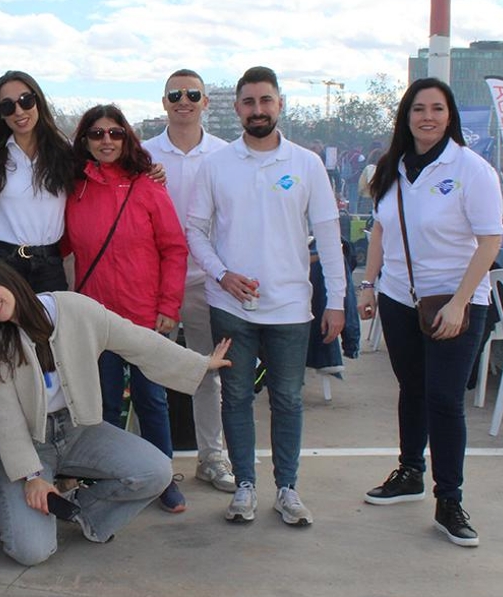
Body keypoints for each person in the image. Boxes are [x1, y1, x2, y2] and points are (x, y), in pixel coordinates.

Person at [0, 258, 230, 566]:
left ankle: (84, 511)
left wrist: (198, 363)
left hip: (79, 429)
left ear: (9, 281)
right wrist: (31, 476)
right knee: (31, 551)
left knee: (156, 471)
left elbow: (136, 340)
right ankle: (17, 497)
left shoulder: (74, 310)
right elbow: (5, 418)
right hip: (28, 443)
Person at [186, 66, 345, 527]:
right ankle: (245, 488)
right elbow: (195, 230)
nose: (258, 110)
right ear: (237, 109)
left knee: (288, 400)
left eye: (266, 101)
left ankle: (288, 489)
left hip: (291, 308)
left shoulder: (306, 164)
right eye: (249, 102)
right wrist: (221, 274)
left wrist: (335, 299)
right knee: (234, 398)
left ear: (280, 104)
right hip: (231, 306)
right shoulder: (216, 164)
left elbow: (328, 235)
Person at [357, 78, 502, 548]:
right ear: (406, 116)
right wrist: (369, 284)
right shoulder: (391, 169)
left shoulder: (471, 169)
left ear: (449, 115)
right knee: (411, 389)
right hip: (399, 298)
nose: (428, 117)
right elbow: (380, 230)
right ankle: (410, 472)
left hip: (454, 301)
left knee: (443, 399)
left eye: (437, 109)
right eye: (419, 109)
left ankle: (449, 499)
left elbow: (490, 241)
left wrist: (461, 301)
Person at [63, 104, 189, 512]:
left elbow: (174, 249)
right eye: (97, 134)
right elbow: (57, 243)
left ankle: (163, 477)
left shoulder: (148, 187)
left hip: (143, 317)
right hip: (96, 320)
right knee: (102, 406)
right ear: (84, 139)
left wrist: (169, 305)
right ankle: (106, 480)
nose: (106, 141)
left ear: (127, 139)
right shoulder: (73, 190)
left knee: (153, 400)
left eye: (115, 133)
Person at [142, 68, 236, 494]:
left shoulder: (225, 155)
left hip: (204, 280)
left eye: (192, 94)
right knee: (149, 374)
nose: (184, 100)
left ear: (205, 102)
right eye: (175, 94)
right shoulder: (141, 155)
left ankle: (212, 457)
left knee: (205, 372)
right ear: (164, 102)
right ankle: (152, 464)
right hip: (153, 283)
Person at [0, 71, 75, 292]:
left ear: (38, 101)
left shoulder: (64, 153)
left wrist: (151, 171)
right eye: (7, 106)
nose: (19, 111)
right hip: (1, 265)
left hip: (49, 265)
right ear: (0, 114)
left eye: (26, 101)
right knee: (2, 328)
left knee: (50, 326)